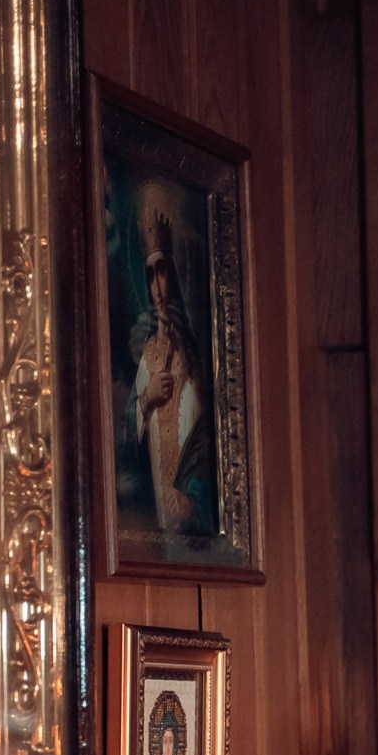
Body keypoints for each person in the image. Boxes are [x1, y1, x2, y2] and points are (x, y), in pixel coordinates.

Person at [133, 213, 217, 535]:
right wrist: (147, 399)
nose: (157, 288)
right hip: (159, 515)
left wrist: (193, 499)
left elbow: (209, 440)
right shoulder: (147, 356)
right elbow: (126, 435)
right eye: (150, 276)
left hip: (192, 510)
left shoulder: (194, 354)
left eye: (162, 272)